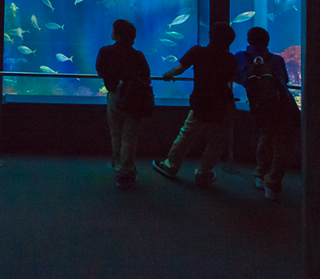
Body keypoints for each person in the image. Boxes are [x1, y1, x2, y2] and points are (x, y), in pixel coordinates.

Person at [152, 22, 238, 187]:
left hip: (202, 101)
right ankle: (203, 173)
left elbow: (179, 69)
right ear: (229, 41)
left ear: (210, 36)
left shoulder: (198, 51)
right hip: (223, 103)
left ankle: (171, 166)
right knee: (217, 140)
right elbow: (231, 77)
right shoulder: (231, 59)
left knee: (187, 135)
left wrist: (168, 74)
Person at [235, 26, 300, 201]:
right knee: (282, 143)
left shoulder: (240, 57)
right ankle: (272, 182)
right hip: (281, 107)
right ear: (268, 41)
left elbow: (237, 78)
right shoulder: (276, 59)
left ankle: (260, 173)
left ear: (249, 40)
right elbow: (284, 81)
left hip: (258, 108)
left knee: (266, 136)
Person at [96, 19, 151, 188]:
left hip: (114, 97)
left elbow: (100, 71)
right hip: (134, 98)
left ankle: (119, 166)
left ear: (118, 34)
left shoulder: (105, 51)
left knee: (116, 132)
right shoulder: (138, 55)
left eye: (113, 29)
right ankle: (126, 171)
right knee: (130, 136)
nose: (111, 31)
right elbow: (147, 77)